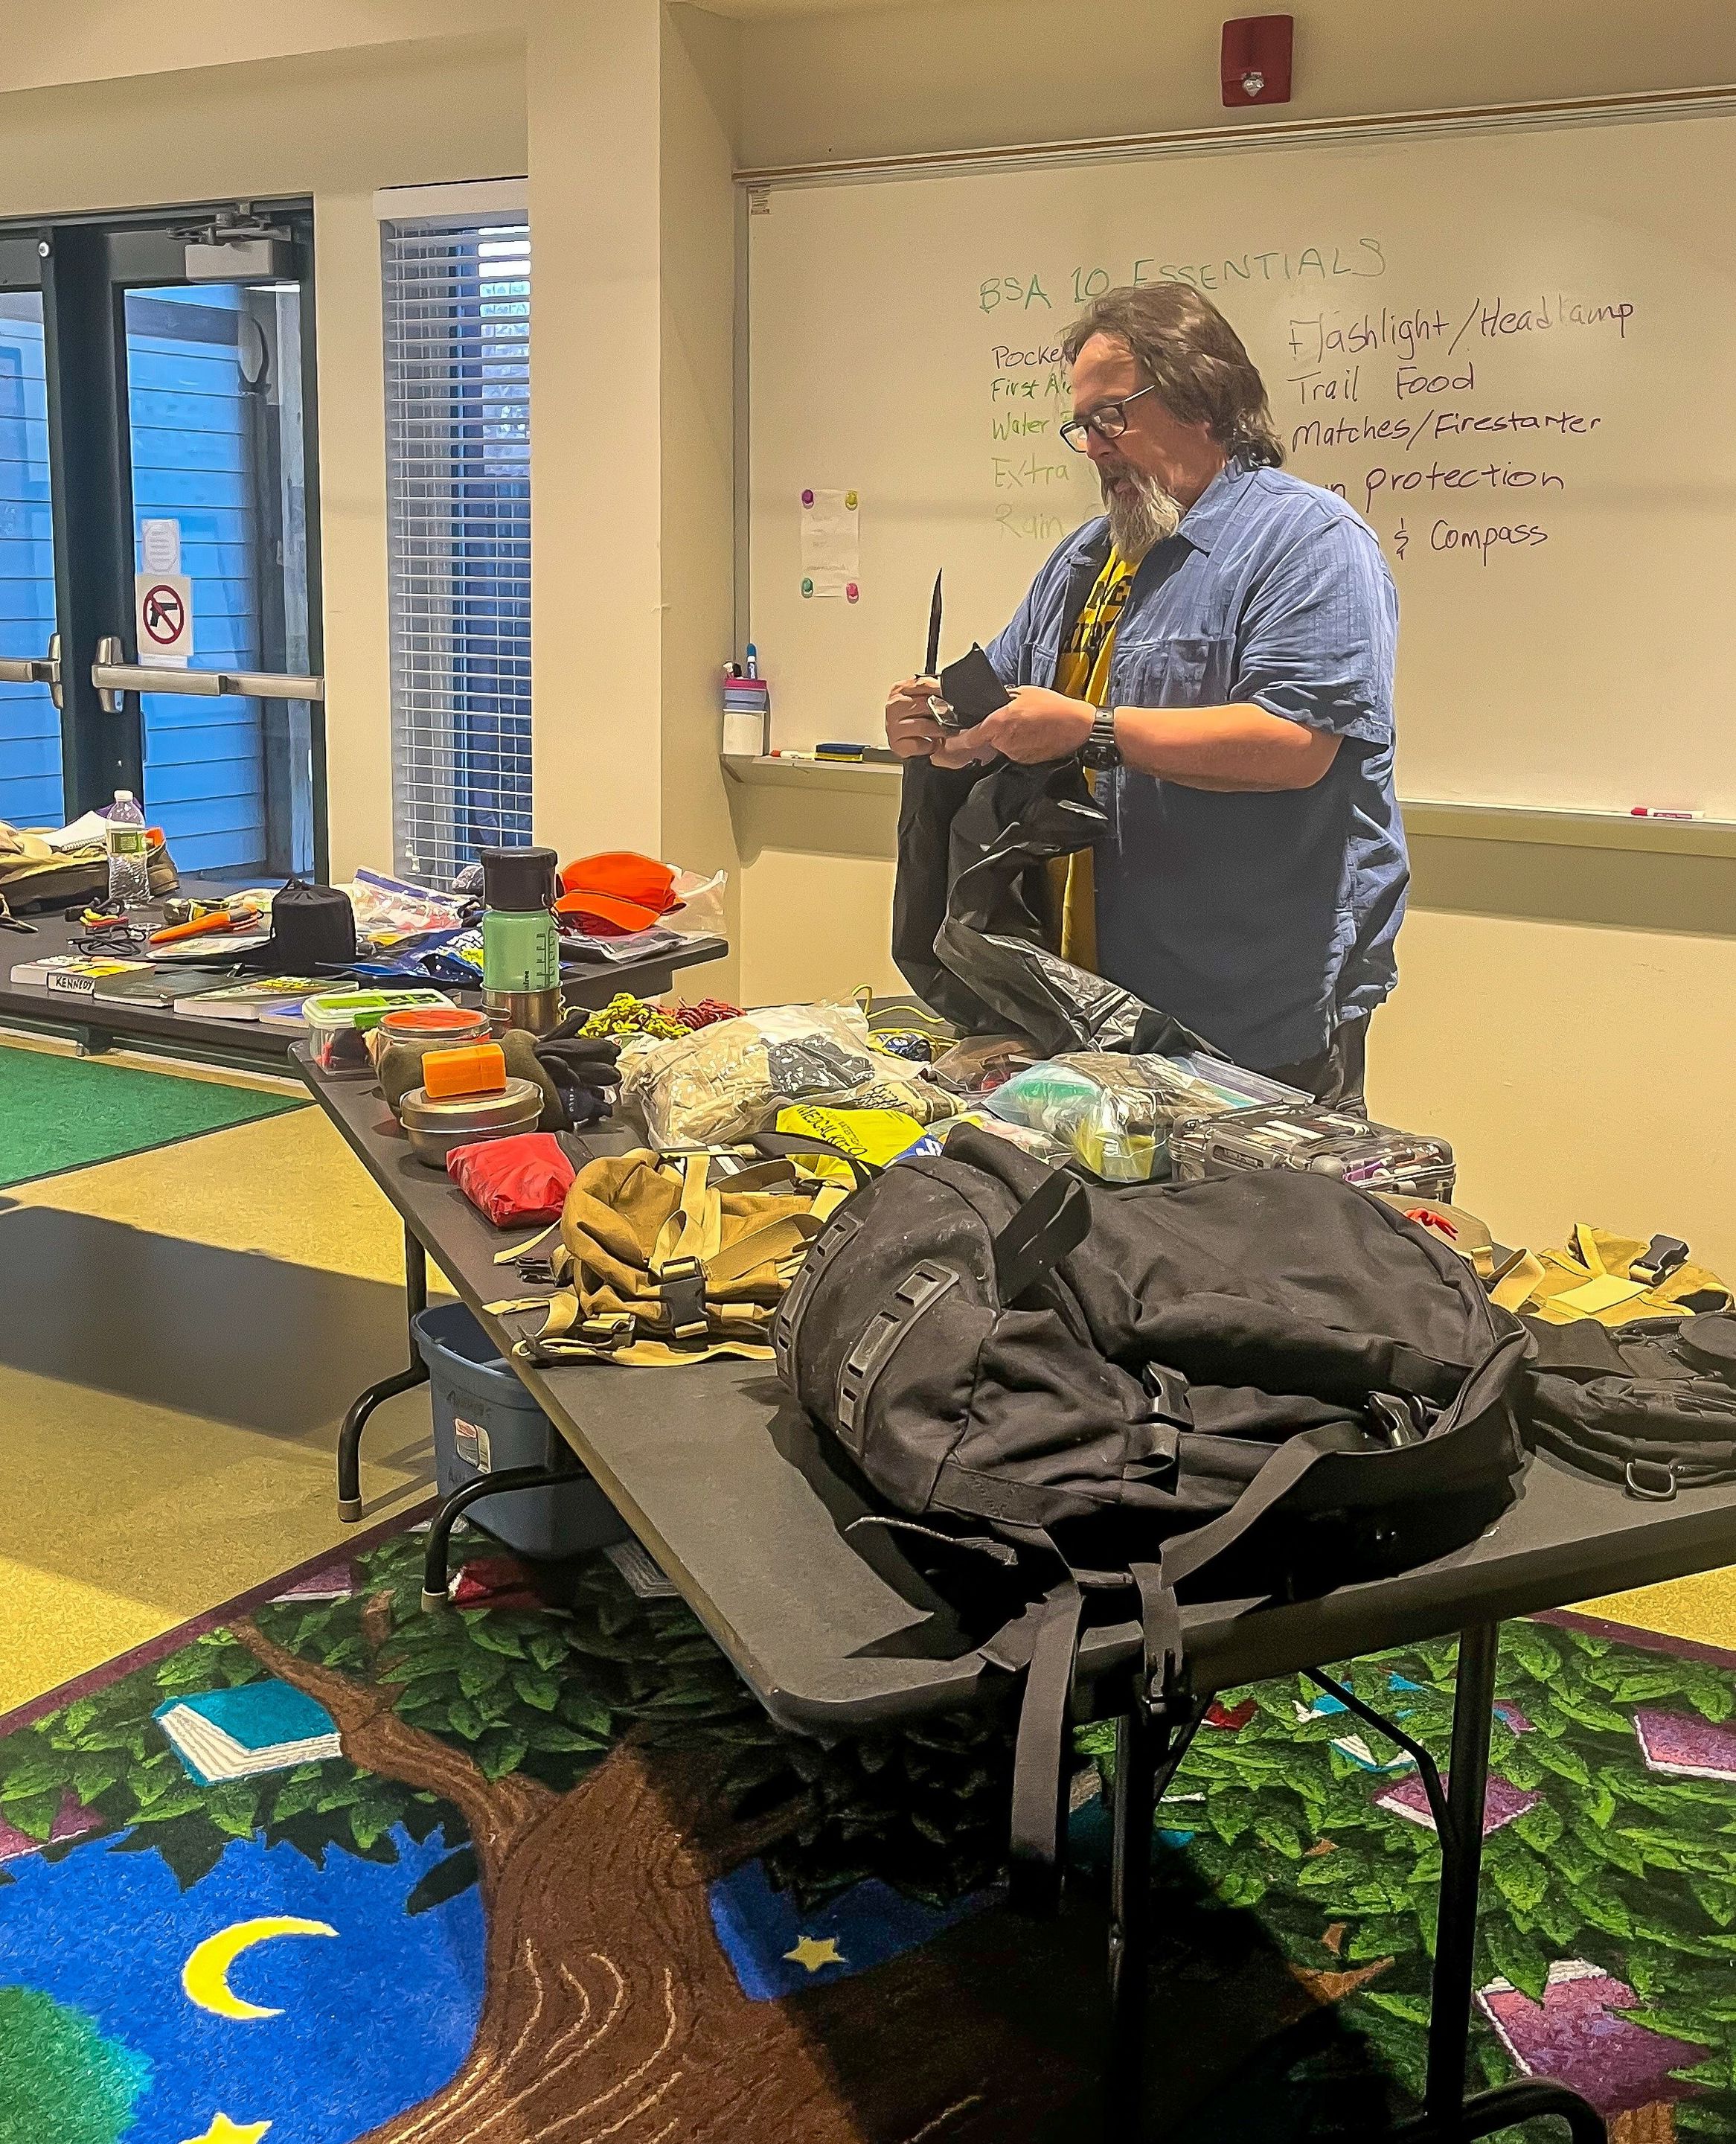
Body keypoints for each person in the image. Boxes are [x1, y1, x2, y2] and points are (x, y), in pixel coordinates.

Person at [883, 281, 1408, 1103]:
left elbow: (1295, 747)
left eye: (1109, 418)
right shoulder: (1086, 558)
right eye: (1080, 426)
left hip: (1252, 1012)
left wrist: (1090, 731)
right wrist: (938, 725)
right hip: (1090, 1004)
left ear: (1201, 396)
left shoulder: (1308, 544)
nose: (1092, 447)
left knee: (1259, 1225)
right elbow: (1006, 705)